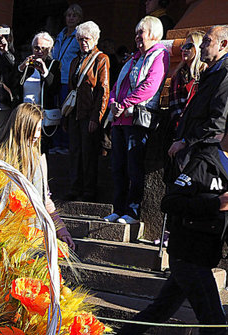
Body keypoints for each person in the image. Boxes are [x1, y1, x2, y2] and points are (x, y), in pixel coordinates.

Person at [101, 96, 228, 335]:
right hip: (186, 256)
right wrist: (213, 203)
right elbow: (170, 202)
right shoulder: (203, 160)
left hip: (205, 257)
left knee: (158, 310)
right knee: (214, 321)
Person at [104, 16, 169, 224]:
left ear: (153, 35)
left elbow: (150, 85)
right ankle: (118, 208)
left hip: (136, 119)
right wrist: (113, 102)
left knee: (134, 167)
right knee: (118, 167)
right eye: (136, 33)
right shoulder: (133, 59)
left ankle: (132, 211)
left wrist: (124, 104)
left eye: (141, 33)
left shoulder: (160, 55)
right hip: (119, 119)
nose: (137, 38)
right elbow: (116, 86)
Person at [0, 103, 75, 252]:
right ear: (22, 128)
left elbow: (45, 199)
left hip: (33, 234)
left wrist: (61, 229)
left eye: (39, 130)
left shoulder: (39, 159)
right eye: (34, 130)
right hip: (5, 233)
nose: (37, 135)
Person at [169, 25, 228, 165]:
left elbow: (219, 121)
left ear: (223, 44)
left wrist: (185, 141)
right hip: (192, 150)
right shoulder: (209, 74)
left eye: (207, 41)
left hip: (204, 154)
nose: (201, 46)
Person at [65, 21, 110, 202]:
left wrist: (96, 117)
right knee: (75, 151)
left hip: (89, 113)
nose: (83, 42)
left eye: (87, 39)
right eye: (80, 39)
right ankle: (75, 187)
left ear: (95, 39)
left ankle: (89, 190)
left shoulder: (101, 59)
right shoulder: (76, 60)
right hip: (75, 113)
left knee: (89, 153)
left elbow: (103, 90)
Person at [18, 32, 61, 151]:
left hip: (41, 115)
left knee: (40, 150)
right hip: (24, 114)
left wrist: (44, 72)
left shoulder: (54, 65)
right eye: (37, 48)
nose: (40, 51)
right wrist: (21, 67)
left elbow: (54, 89)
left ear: (50, 49)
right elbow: (15, 85)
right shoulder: (27, 64)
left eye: (44, 48)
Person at [51, 4, 83, 153]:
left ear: (79, 19)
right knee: (55, 111)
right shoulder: (60, 35)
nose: (71, 18)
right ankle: (56, 143)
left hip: (67, 80)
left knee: (66, 112)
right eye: (69, 15)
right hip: (55, 78)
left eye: (74, 15)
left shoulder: (79, 37)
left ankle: (65, 144)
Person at [168, 31, 205, 131]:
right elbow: (174, 105)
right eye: (183, 46)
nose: (184, 49)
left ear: (198, 47)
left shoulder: (205, 72)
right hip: (179, 127)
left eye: (189, 46)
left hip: (198, 127)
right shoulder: (177, 75)